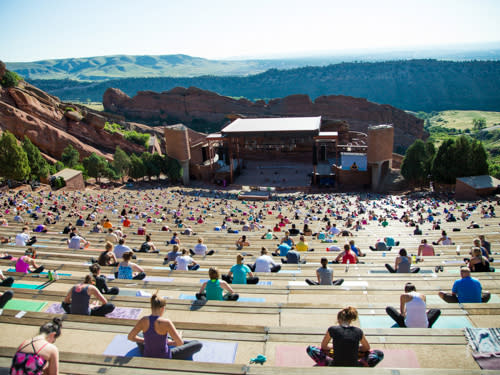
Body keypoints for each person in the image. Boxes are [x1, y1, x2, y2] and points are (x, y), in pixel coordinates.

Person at [128, 291, 202, 359]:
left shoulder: (143, 320)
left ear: (151, 307)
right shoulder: (166, 322)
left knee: (141, 334)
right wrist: (171, 342)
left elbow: (130, 337)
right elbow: (179, 343)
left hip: (147, 354)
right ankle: (172, 338)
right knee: (197, 344)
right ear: (163, 308)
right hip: (164, 356)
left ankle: (164, 339)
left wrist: (146, 340)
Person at [306, 306, 384, 367]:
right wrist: (355, 347)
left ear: (339, 319)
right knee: (378, 353)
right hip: (355, 365)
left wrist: (335, 347)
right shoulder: (358, 331)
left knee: (311, 349)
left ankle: (326, 364)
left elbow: (324, 346)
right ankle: (362, 364)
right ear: (350, 320)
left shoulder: (332, 329)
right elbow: (367, 348)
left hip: (334, 364)